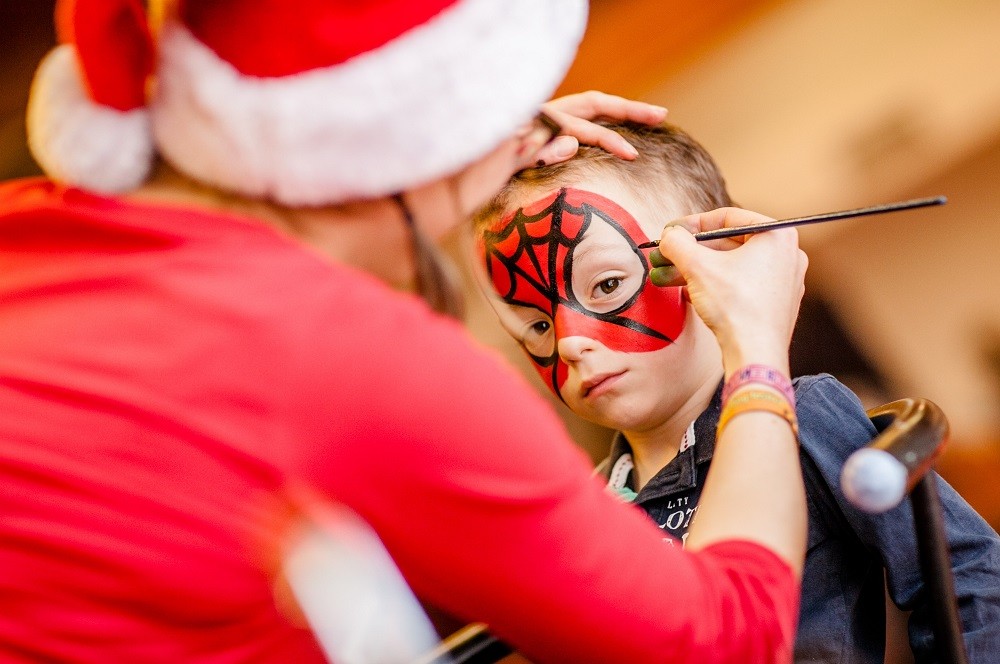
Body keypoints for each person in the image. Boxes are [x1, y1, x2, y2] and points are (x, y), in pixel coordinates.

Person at [1, 1, 809, 662]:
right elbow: (724, 641)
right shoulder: (358, 363)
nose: (568, 337)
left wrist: (469, 143)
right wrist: (760, 355)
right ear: (409, 150)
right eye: (485, 134)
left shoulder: (25, 235)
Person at [476, 120, 1000, 662]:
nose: (568, 343)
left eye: (607, 286)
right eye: (538, 325)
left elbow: (968, 577)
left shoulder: (807, 418)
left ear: (721, 259)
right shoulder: (586, 511)